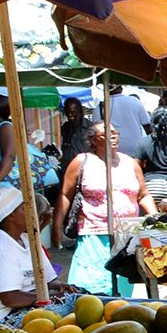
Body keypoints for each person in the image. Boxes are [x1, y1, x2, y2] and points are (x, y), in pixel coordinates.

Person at [57, 118, 146, 296]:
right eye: (107, 134)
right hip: (94, 235)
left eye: (115, 133)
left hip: (126, 234)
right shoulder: (82, 161)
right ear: (94, 139)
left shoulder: (130, 163)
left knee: (123, 287)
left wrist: (156, 218)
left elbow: (143, 194)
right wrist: (56, 227)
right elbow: (65, 195)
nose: (113, 137)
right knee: (93, 287)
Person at [0, 186, 53, 320]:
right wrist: (51, 298)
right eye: (24, 208)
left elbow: (49, 280)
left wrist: (64, 288)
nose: (32, 212)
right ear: (11, 215)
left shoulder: (27, 239)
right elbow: (10, 299)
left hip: (23, 308)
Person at [107, 88, 150, 159]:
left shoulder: (101, 106)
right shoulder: (135, 101)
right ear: (121, 89)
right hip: (136, 148)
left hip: (112, 148)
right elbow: (147, 126)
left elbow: (96, 128)